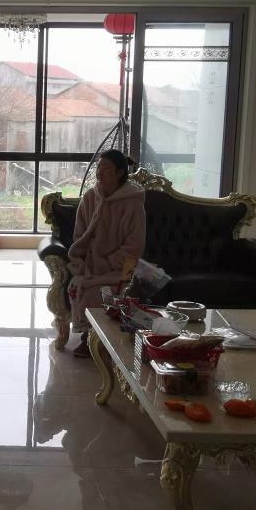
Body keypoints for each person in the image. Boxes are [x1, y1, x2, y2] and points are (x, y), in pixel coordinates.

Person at [66, 150, 146, 357]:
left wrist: (107, 262)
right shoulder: (90, 197)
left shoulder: (133, 203)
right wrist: (85, 261)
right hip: (90, 264)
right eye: (98, 168)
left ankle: (100, 339)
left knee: (101, 290)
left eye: (106, 168)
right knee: (77, 285)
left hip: (122, 267)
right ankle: (89, 336)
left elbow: (134, 245)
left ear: (119, 173)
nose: (99, 173)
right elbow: (79, 235)